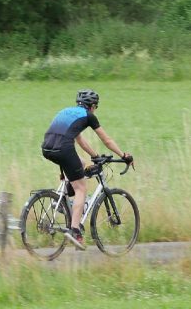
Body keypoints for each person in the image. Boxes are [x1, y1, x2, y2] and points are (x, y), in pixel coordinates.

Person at [41, 89, 132, 250]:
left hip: (47, 148)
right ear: (93, 106)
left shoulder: (67, 111)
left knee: (81, 164)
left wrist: (95, 155)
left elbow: (80, 140)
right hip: (63, 149)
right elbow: (107, 140)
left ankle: (62, 201)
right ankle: (75, 231)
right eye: (95, 107)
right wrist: (123, 155)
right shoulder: (88, 116)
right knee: (81, 187)